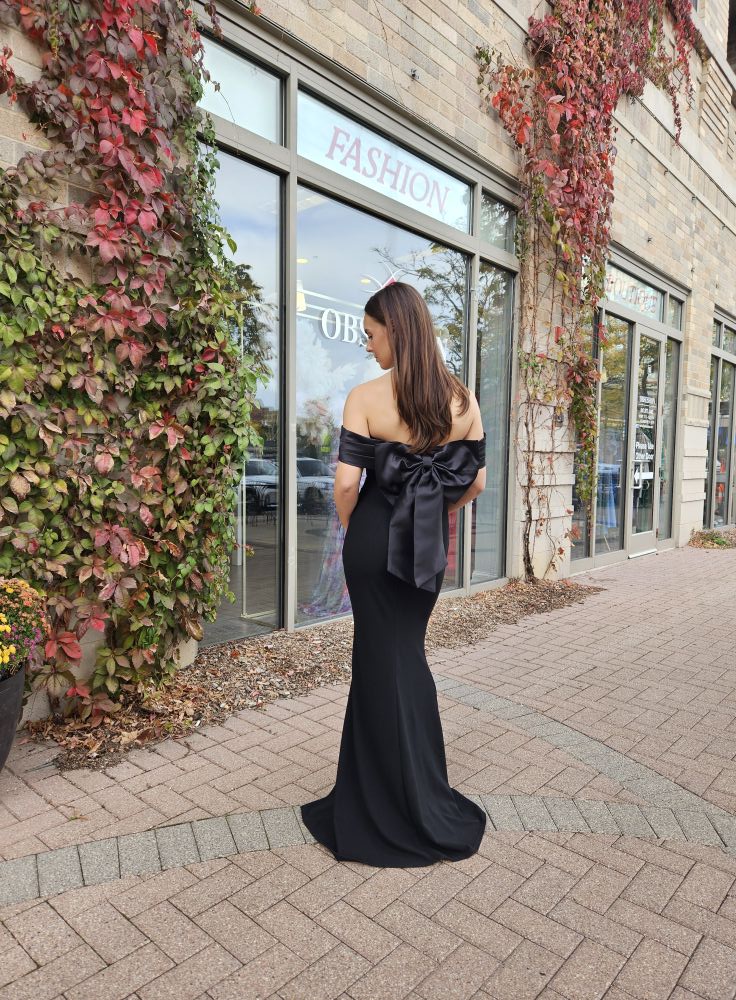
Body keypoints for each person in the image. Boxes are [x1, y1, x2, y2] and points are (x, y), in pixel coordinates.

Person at [300, 282, 488, 867]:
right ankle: (421, 793)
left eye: (372, 334)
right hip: (426, 542)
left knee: (377, 661)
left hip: (375, 540)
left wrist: (359, 527)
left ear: (395, 331)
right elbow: (476, 481)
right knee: (407, 655)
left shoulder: (365, 396)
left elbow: (346, 485)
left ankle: (382, 806)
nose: (368, 345)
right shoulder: (462, 399)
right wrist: (434, 513)